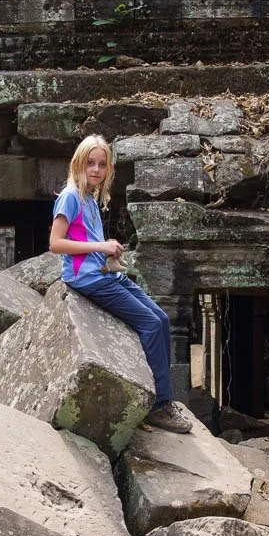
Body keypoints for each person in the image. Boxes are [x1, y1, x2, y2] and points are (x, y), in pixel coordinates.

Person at [49, 135, 193, 434]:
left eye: (102, 164)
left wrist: (109, 250)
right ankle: (159, 406)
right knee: (150, 325)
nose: (96, 169)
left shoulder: (90, 198)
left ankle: (164, 398)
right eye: (90, 163)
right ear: (78, 164)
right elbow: (55, 243)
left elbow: (87, 240)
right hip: (87, 279)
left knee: (162, 320)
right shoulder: (70, 197)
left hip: (105, 273)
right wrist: (101, 247)